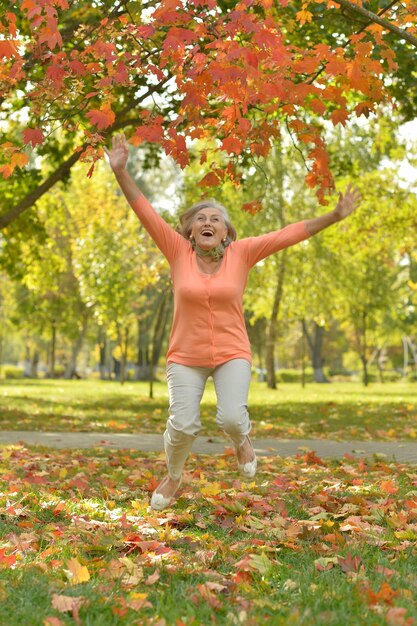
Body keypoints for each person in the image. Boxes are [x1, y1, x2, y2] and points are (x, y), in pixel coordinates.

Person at [105, 134, 361, 510]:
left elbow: (288, 234)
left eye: (216, 219)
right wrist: (120, 171)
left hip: (232, 352)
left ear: (226, 232)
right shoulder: (176, 251)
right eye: (200, 219)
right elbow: (145, 210)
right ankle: (174, 475)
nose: (207, 222)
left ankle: (242, 441)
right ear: (190, 231)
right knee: (184, 424)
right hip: (185, 355)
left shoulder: (242, 254)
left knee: (231, 418)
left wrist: (334, 216)